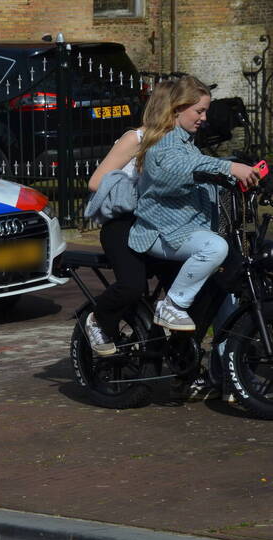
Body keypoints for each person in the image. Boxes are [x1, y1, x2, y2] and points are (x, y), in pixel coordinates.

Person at [128, 75, 260, 332]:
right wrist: (231, 167)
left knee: (226, 287)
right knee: (214, 248)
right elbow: (184, 168)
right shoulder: (164, 143)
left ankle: (223, 364)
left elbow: (202, 167)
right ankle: (172, 305)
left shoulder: (188, 144)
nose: (204, 118)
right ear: (178, 108)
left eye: (206, 111)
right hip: (161, 233)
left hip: (186, 232)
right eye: (199, 111)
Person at [82, 80, 177, 356]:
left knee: (188, 286)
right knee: (132, 286)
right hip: (123, 224)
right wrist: (139, 191)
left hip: (158, 225)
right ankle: (98, 319)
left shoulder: (179, 143)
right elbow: (95, 182)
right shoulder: (135, 139)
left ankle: (170, 353)